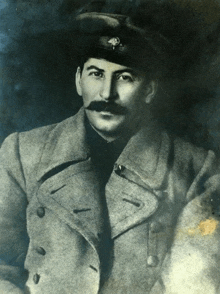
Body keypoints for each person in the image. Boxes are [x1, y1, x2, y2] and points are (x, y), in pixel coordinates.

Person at [0, 11, 220, 294]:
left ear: (150, 90)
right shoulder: (22, 153)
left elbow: (195, 285)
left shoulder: (197, 169)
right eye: (96, 74)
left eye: (125, 77)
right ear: (79, 80)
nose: (106, 93)